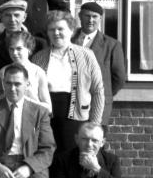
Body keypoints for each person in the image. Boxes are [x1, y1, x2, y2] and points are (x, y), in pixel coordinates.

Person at [31, 10, 104, 155]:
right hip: (46, 116)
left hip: (75, 115)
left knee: (72, 158)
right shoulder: (38, 58)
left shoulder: (86, 55)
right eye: (52, 29)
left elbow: (98, 91)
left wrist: (94, 124)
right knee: (47, 155)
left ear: (71, 30)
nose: (56, 33)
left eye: (60, 29)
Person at [72, 2, 126, 129]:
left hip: (97, 106)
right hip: (72, 105)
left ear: (100, 18)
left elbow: (119, 78)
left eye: (95, 17)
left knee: (94, 143)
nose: (91, 20)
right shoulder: (69, 40)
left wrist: (103, 94)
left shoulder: (112, 45)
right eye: (87, 16)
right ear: (80, 16)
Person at [0, 31, 52, 113]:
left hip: (33, 117)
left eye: (19, 49)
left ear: (29, 49)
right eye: (11, 49)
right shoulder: (3, 72)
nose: (14, 53)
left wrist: (25, 100)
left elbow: (48, 108)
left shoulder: (38, 72)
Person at [0, 0, 47, 71]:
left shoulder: (40, 44)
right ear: (1, 18)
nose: (12, 19)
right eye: (7, 15)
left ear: (24, 17)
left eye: (16, 15)